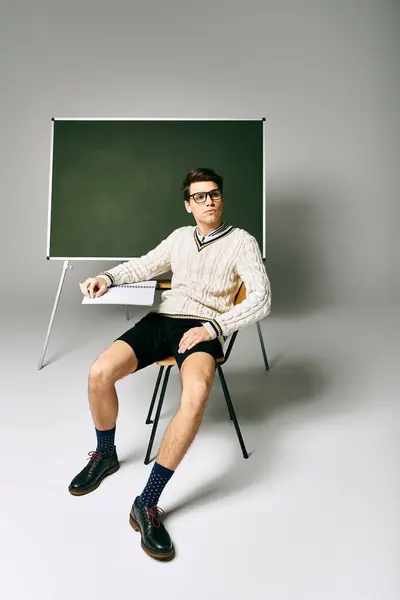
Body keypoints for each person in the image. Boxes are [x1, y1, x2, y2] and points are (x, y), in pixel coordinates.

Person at [69, 167, 272, 561]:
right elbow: (145, 265)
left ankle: (146, 503)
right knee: (99, 372)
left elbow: (260, 299)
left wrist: (215, 326)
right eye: (200, 196)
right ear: (188, 204)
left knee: (194, 400)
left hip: (203, 328)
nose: (209, 201)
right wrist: (107, 278)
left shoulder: (242, 241)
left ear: (222, 198)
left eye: (214, 194)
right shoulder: (180, 237)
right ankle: (105, 453)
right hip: (163, 321)